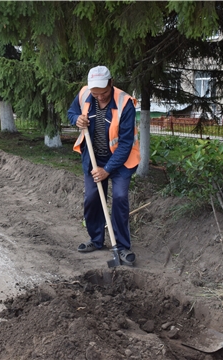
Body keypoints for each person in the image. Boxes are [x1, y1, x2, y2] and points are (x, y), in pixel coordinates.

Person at [67, 65, 140, 266]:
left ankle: (123, 246)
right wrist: (77, 119)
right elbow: (71, 111)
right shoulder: (84, 94)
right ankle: (96, 240)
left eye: (104, 93)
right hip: (93, 158)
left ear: (112, 84)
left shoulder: (125, 103)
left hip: (121, 161)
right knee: (91, 197)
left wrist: (107, 170)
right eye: (95, 94)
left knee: (119, 197)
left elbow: (125, 144)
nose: (100, 97)